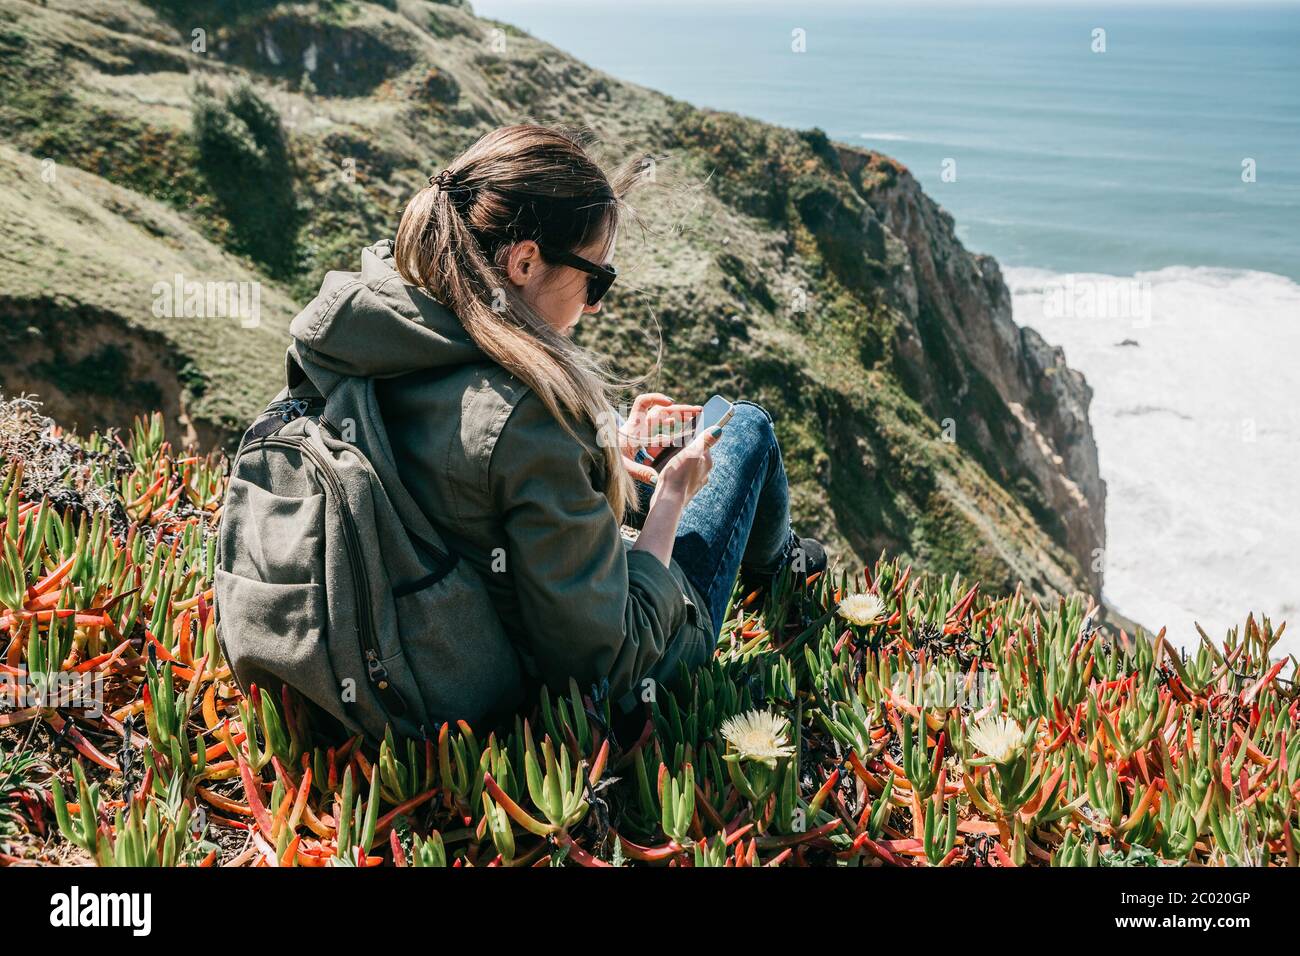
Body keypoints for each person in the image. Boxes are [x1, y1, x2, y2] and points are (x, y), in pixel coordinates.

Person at [289, 124, 824, 719]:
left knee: (641, 459)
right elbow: (611, 663)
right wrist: (672, 495)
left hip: (416, 619)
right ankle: (781, 573)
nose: (595, 304)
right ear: (523, 260)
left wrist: (603, 443)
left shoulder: (364, 327)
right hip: (596, 668)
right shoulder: (534, 423)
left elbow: (474, 464)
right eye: (596, 279)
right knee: (746, 430)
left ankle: (778, 562)